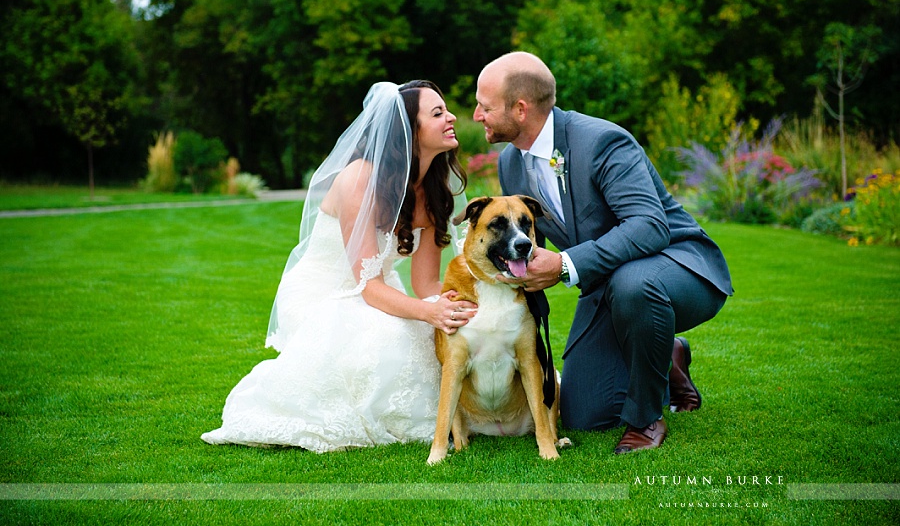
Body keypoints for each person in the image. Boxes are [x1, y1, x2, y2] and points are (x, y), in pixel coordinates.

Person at [473, 52, 733, 454]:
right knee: (584, 414)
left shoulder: (602, 141)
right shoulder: (511, 162)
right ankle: (669, 358)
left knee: (635, 283)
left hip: (679, 267)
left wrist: (563, 264)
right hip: (609, 285)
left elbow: (650, 225)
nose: (476, 115)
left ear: (520, 109)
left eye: (484, 106)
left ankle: (646, 420)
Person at [202, 80, 477, 452]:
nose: (452, 117)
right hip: (326, 291)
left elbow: (426, 283)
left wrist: (451, 307)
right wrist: (428, 314)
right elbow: (366, 285)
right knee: (391, 338)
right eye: (438, 112)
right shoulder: (360, 179)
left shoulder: (435, 188)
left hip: (381, 290)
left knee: (435, 337)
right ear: (410, 131)